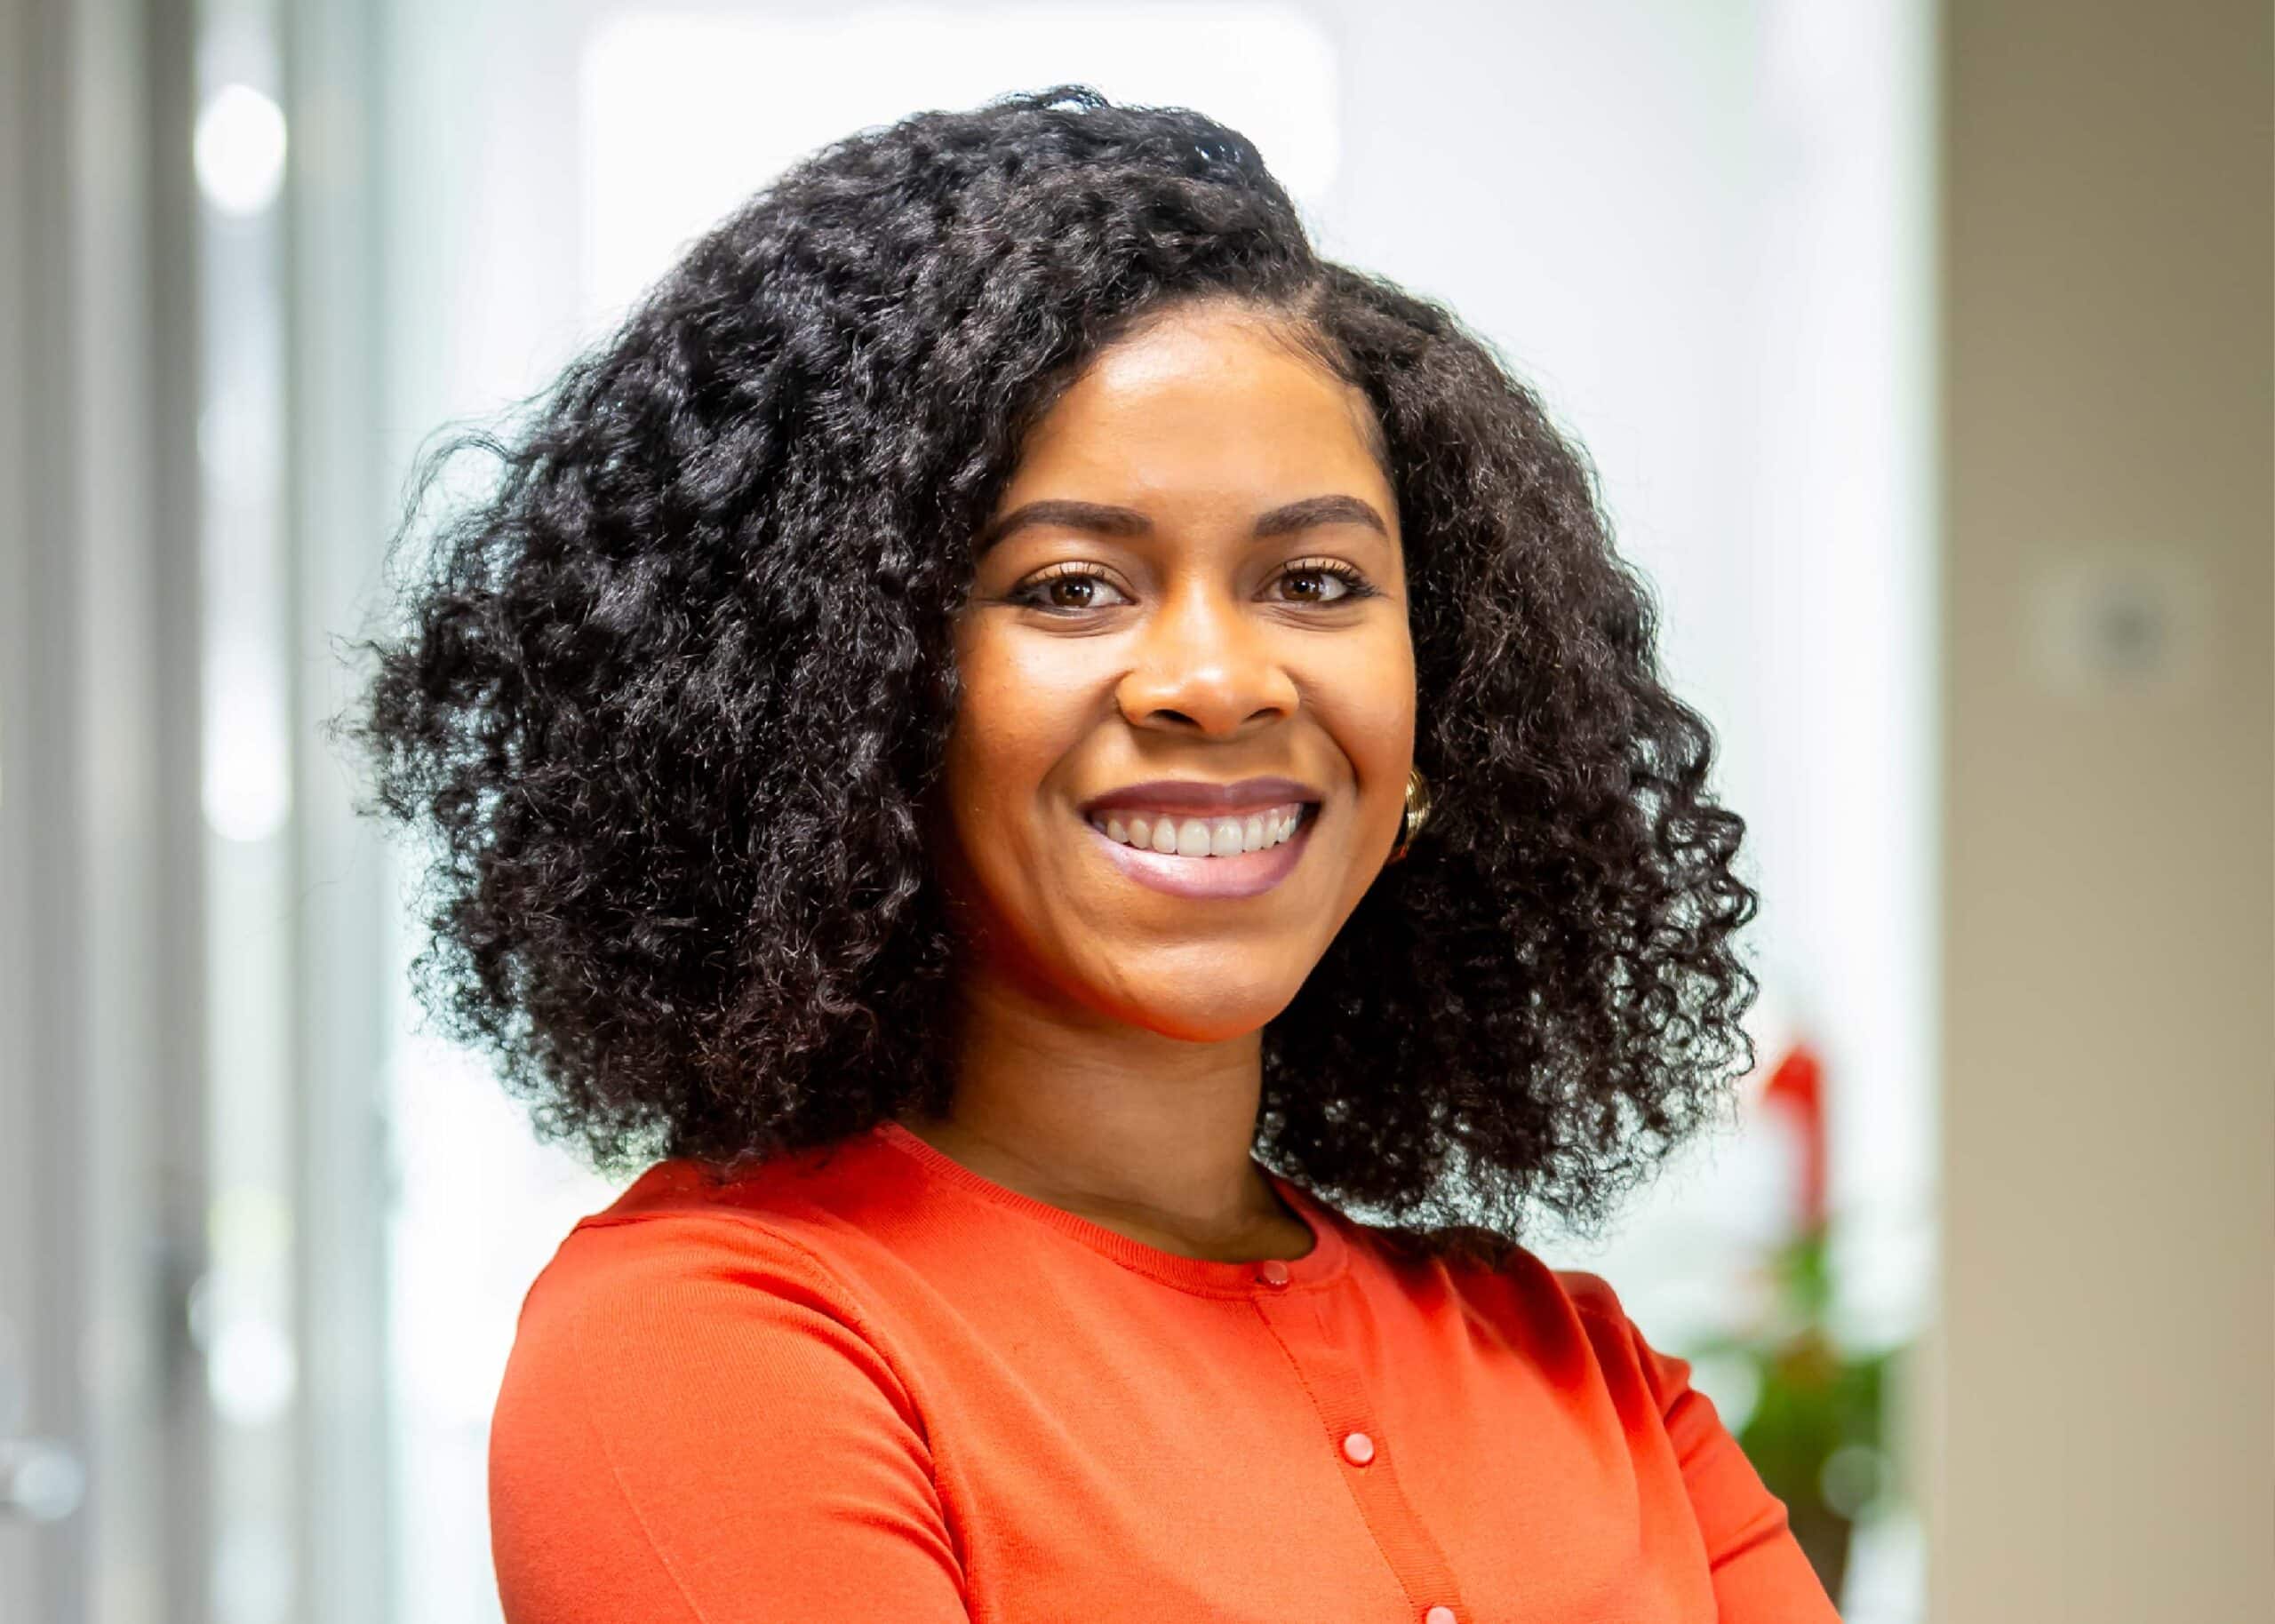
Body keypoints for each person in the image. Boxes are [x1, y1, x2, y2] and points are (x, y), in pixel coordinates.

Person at [342, 85, 1839, 1623]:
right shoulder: (708, 1343)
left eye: (1316, 580)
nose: (1219, 677)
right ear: (847, 694)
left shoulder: (1581, 1369)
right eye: (1068, 588)